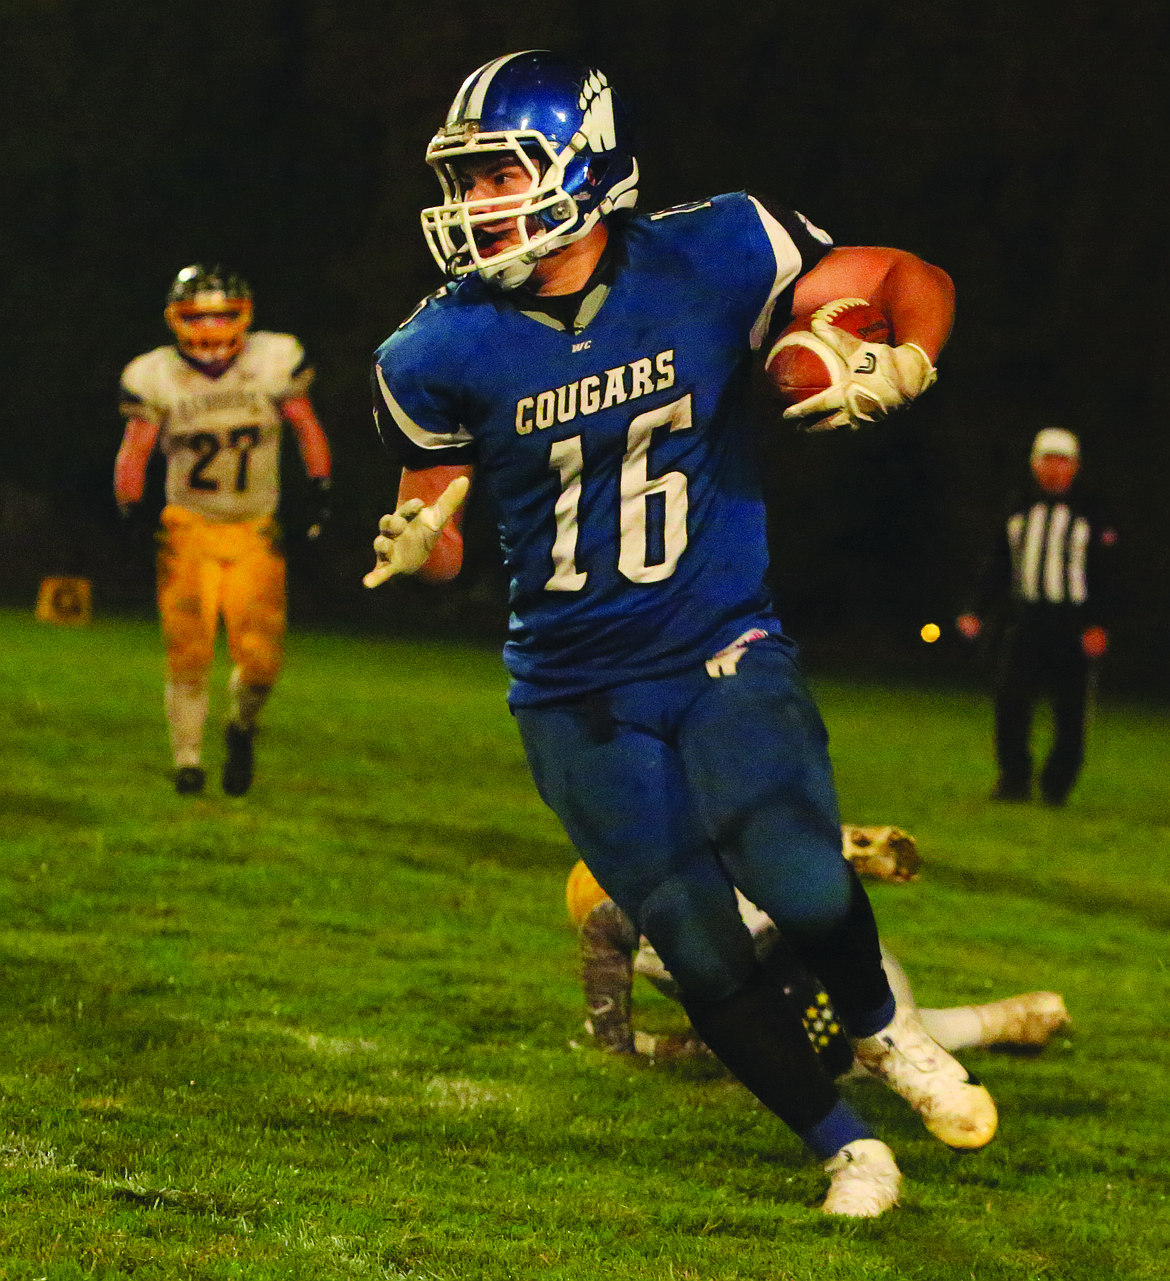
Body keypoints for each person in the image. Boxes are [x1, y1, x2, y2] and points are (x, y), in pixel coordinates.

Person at [365, 51, 985, 1217]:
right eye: (468, 178)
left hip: (717, 639)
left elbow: (906, 272)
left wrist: (905, 356)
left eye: (500, 171)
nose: (476, 203)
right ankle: (844, 1145)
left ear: (579, 163)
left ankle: (886, 1029)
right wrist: (416, 542)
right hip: (570, 688)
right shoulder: (430, 349)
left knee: (799, 875)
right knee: (696, 944)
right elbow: (435, 510)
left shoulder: (718, 250)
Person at [115, 265, 332, 796]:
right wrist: (133, 509)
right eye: (197, 316)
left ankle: (241, 726)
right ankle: (187, 761)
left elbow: (307, 427)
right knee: (187, 650)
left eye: (222, 315)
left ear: (245, 316)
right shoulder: (157, 374)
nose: (210, 328)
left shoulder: (273, 360)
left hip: (255, 525)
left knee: (260, 659)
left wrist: (318, 492)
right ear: (176, 319)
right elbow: (135, 451)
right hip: (188, 525)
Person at [564, 858, 1070, 1065]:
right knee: (856, 1047)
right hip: (844, 972)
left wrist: (659, 1047)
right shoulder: (686, 887)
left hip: (842, 980)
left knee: (861, 1055)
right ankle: (1013, 1018)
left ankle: (1004, 1020)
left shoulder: (644, 938)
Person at [957, 428, 1117, 806]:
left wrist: (1099, 623)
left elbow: (1107, 573)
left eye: (1062, 462)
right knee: (1011, 702)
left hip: (1072, 622)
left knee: (1071, 711)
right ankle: (1013, 780)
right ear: (1035, 465)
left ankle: (1057, 785)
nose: (1054, 470)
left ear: (1075, 467)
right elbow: (997, 561)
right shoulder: (1019, 507)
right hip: (1026, 619)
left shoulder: (1091, 512)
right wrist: (977, 609)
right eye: (1047, 461)